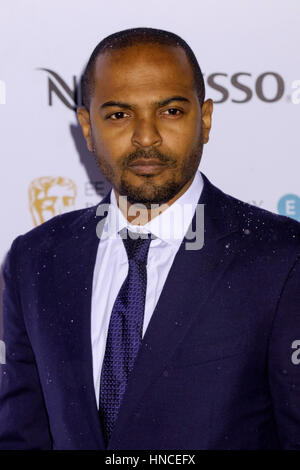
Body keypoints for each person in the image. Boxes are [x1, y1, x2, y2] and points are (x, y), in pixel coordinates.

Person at [0, 27, 300, 450]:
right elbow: (22, 434)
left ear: (206, 118)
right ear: (87, 127)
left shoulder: (283, 259)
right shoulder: (35, 259)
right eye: (119, 115)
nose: (146, 136)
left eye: (171, 111)